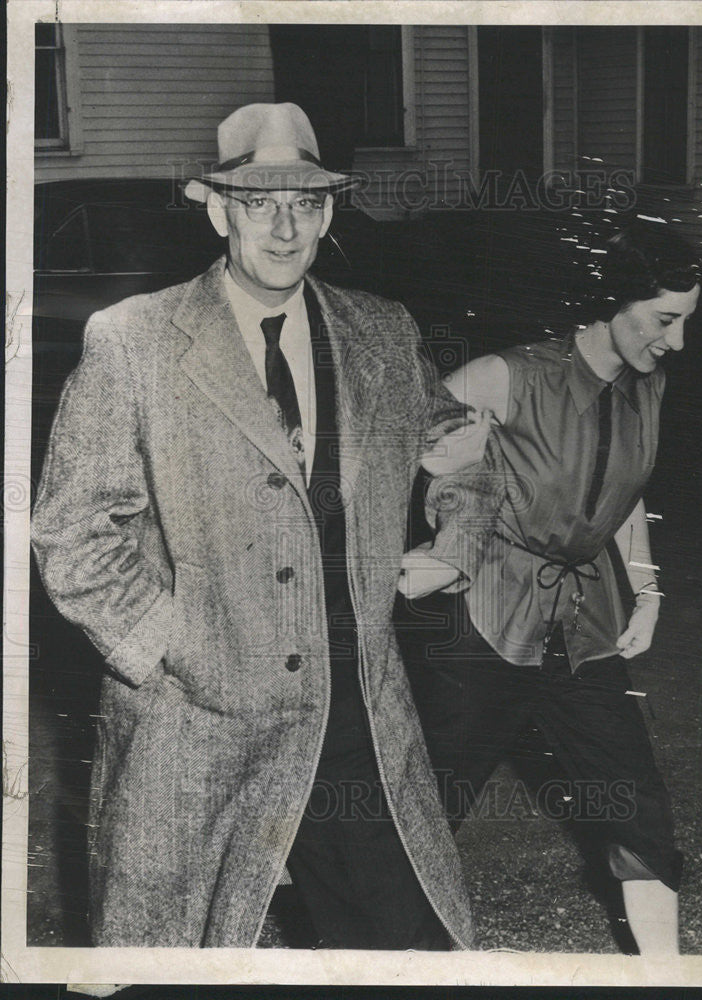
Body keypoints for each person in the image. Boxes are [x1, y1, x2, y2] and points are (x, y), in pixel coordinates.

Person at [30, 103, 499, 949]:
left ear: (329, 211)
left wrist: (454, 543)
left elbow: (459, 452)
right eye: (259, 203)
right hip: (197, 726)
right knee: (171, 961)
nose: (285, 228)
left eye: (307, 204)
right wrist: (180, 645)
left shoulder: (381, 333)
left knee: (415, 950)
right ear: (216, 209)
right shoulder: (134, 342)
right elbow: (72, 533)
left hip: (355, 714)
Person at [398, 223, 702, 955]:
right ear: (614, 301)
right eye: (666, 320)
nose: (678, 342)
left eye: (688, 323)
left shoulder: (648, 385)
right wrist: (430, 545)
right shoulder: (512, 374)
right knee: (427, 800)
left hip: (587, 624)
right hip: (486, 619)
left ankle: (665, 975)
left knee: (635, 802)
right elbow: (399, 439)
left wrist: (650, 589)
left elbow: (625, 493)